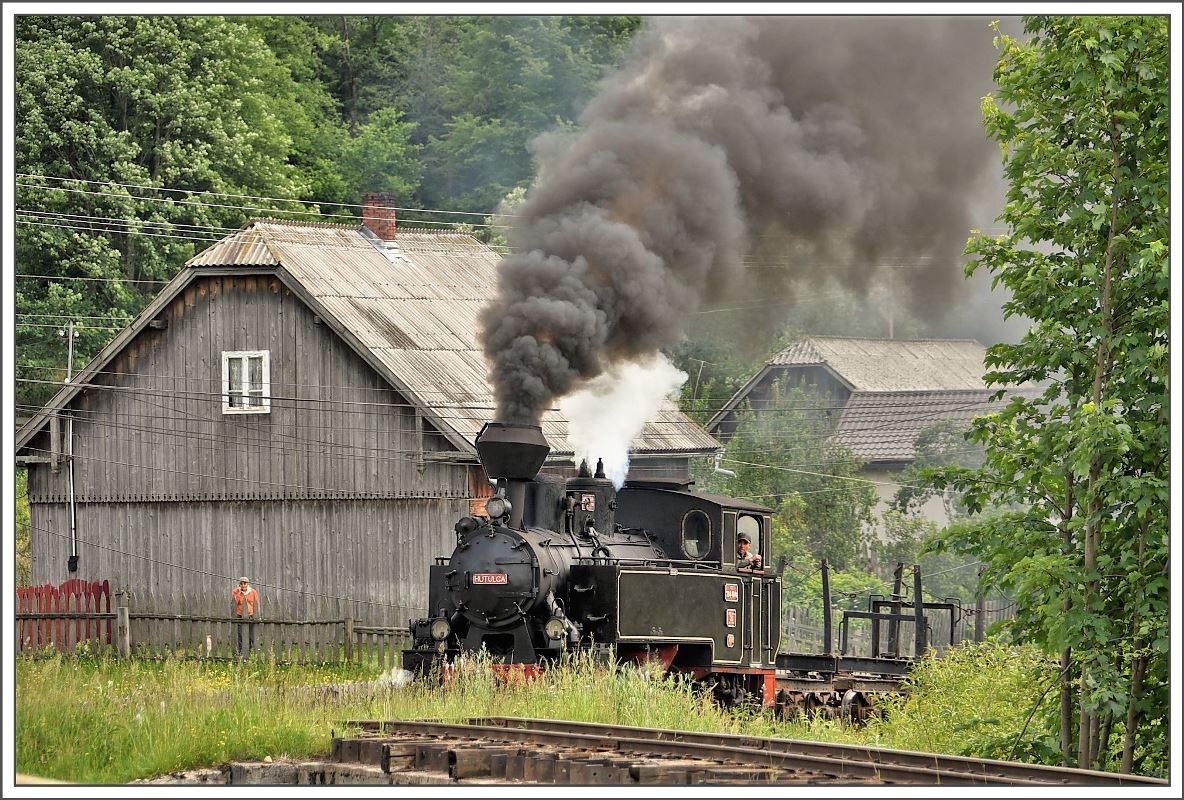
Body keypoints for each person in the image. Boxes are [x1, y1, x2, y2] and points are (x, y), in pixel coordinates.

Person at [232, 576, 259, 659]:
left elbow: (256, 603)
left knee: (251, 636)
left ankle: (250, 653)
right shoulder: (235, 592)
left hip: (250, 616)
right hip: (240, 616)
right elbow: (235, 603)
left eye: (245, 583)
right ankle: (240, 653)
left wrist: (256, 615)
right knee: (240, 635)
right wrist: (238, 592)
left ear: (248, 584)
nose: (243, 585)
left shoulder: (253, 592)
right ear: (239, 584)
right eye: (241, 583)